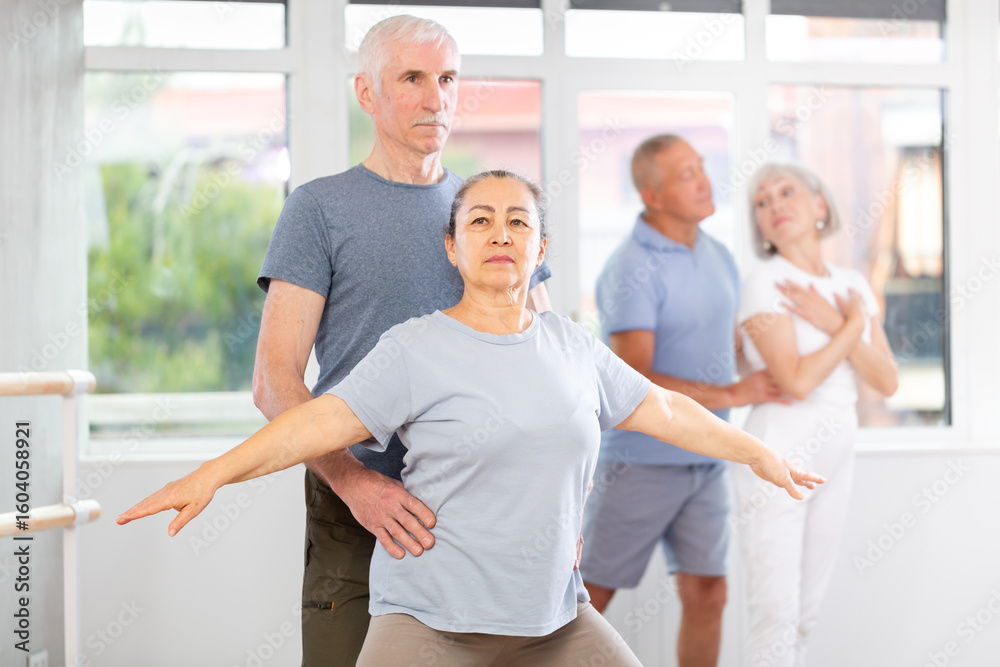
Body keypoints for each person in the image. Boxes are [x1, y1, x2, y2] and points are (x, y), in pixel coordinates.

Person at [119, 170, 824, 666]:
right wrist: (213, 473)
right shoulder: (415, 348)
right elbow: (314, 422)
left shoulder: (573, 347)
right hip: (433, 623)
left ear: (539, 250)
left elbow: (667, 409)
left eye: (519, 220)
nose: (500, 232)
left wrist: (757, 454)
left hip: (555, 619)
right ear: (452, 247)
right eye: (479, 220)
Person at [250, 16, 552, 666]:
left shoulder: (492, 210)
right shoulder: (320, 209)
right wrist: (355, 483)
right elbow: (274, 381)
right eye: (411, 77)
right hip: (362, 508)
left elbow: (553, 369)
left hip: (489, 505)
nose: (435, 97)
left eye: (446, 78)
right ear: (367, 92)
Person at [580, 134, 784, 667]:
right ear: (653, 195)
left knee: (709, 595)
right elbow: (635, 374)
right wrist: (734, 394)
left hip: (707, 458)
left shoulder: (718, 255)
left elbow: (728, 346)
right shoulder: (629, 267)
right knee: (587, 603)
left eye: (701, 168)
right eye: (686, 174)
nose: (704, 181)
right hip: (639, 463)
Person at [734, 162, 898, 667]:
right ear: (760, 225)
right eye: (762, 202)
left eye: (787, 192)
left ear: (819, 205)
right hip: (777, 461)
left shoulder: (851, 285)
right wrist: (849, 326)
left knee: (805, 617)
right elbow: (797, 381)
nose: (775, 205)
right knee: (776, 617)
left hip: (834, 459)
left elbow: (886, 380)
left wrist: (832, 319)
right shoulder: (766, 283)